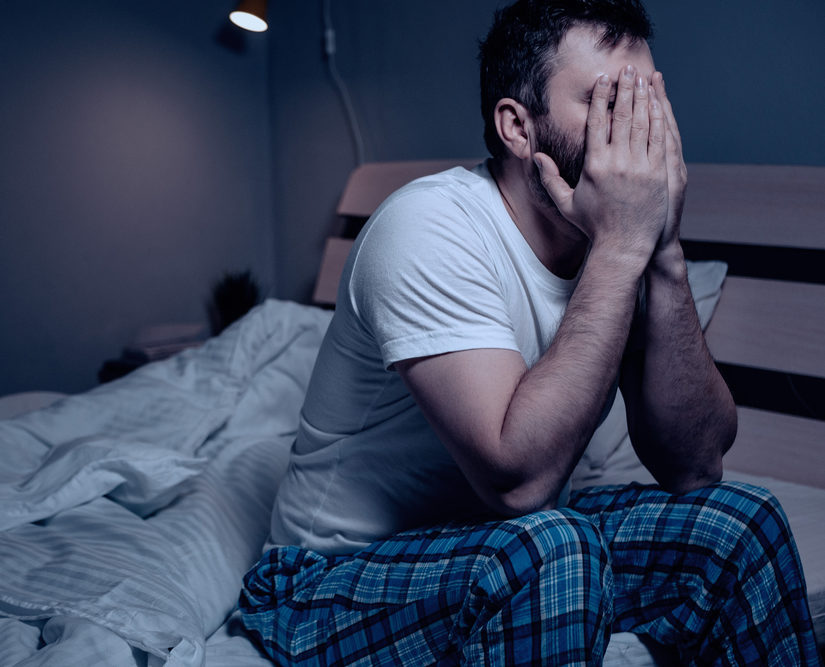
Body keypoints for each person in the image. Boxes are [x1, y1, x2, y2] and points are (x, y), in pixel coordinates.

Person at [240, 0, 823, 664]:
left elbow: (695, 465)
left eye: (646, 101)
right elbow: (518, 484)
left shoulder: (618, 242)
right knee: (548, 547)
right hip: (328, 576)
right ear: (518, 126)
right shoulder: (429, 227)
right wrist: (621, 249)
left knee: (738, 521)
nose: (636, 133)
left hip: (501, 547)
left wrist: (660, 254)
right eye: (608, 102)